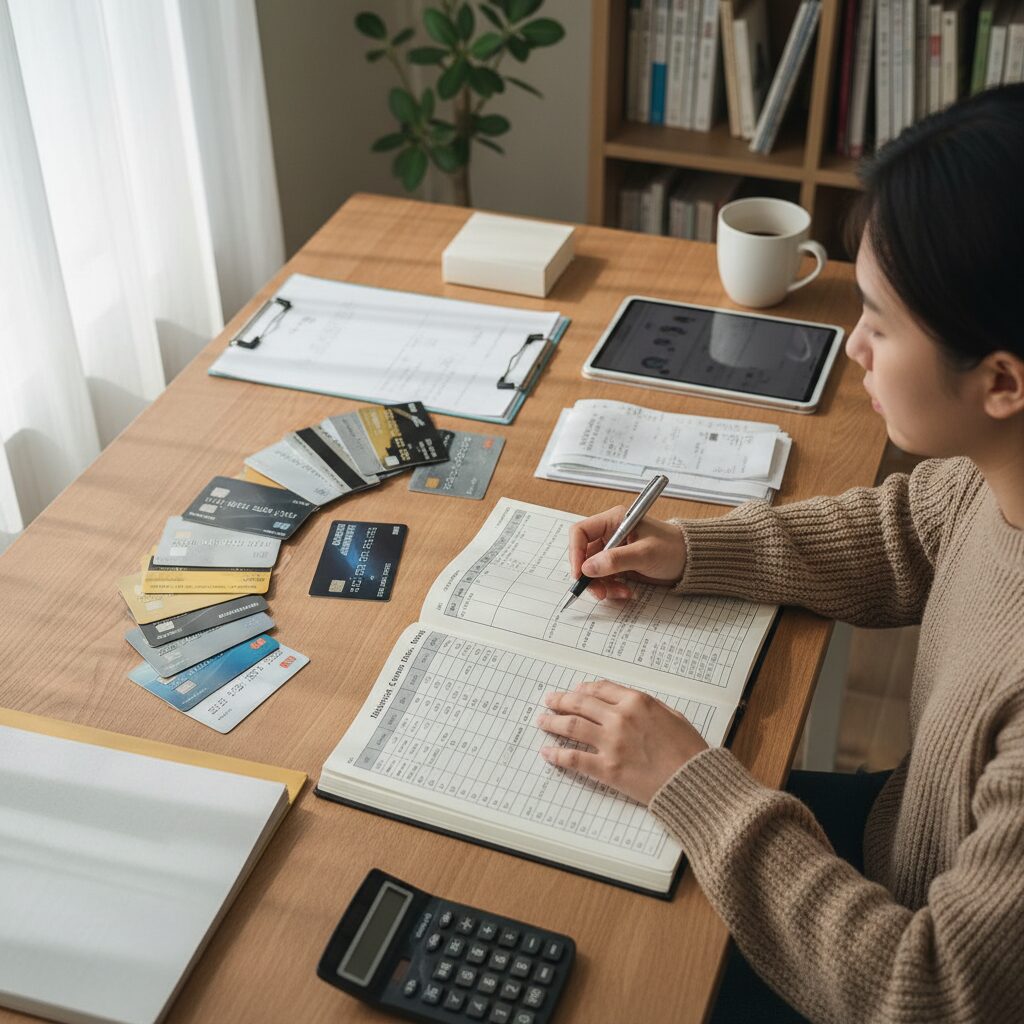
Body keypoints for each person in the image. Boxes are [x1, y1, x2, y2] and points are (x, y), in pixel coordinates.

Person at [536, 83, 1024, 1024]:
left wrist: (691, 782)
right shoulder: (995, 473)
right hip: (904, 849)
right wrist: (689, 548)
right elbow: (901, 535)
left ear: (1001, 381)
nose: (854, 346)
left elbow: (931, 993)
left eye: (880, 322)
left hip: (901, 957)